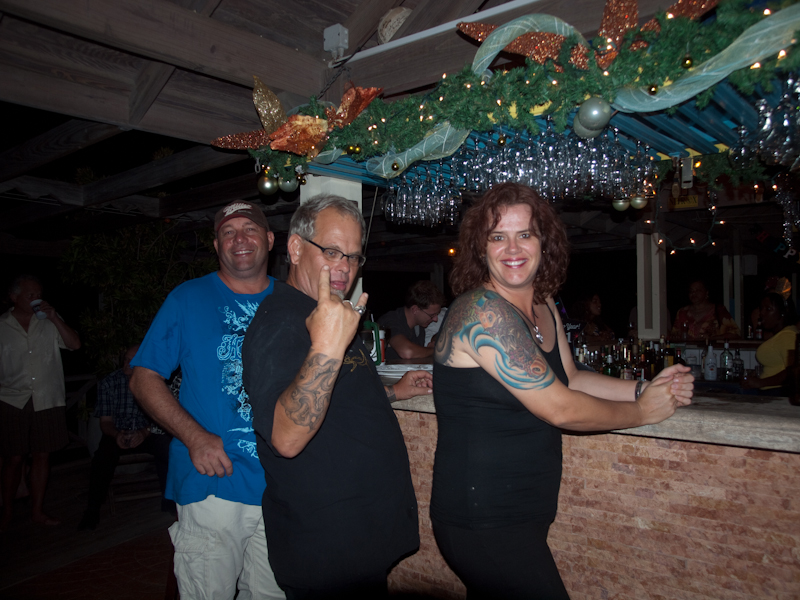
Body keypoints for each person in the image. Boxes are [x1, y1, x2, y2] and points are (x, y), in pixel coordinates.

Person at [430, 183, 694, 599]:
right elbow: (561, 408)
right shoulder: (482, 313)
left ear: (544, 242)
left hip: (525, 507)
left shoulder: (544, 302)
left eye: (525, 234)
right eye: (497, 237)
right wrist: (643, 412)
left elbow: (570, 378)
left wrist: (643, 387)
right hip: (482, 515)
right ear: (481, 248)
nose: (512, 248)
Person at [242, 194, 430, 599]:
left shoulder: (329, 311)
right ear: (295, 249)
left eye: (353, 256)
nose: (344, 267)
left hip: (359, 535)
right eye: (331, 252)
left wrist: (393, 391)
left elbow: (336, 394)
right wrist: (327, 345)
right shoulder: (281, 322)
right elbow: (285, 437)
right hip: (328, 545)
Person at [129, 201, 284, 600]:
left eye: (250, 229)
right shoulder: (188, 298)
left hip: (282, 484)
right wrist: (194, 436)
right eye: (228, 232)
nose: (239, 239)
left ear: (269, 239)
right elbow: (143, 377)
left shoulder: (292, 301)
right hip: (214, 480)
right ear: (217, 246)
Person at [0, 275, 81, 530]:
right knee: (13, 458)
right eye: (31, 295)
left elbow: (75, 344)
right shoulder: (2, 326)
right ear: (14, 297)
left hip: (47, 397)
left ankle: (37, 511)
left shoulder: (48, 321)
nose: (37, 299)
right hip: (11, 399)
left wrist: (55, 318)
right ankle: (6, 512)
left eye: (39, 294)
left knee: (42, 455)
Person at [78, 344, 173, 531]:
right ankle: (92, 510)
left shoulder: (157, 383)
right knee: (102, 457)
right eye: (125, 359)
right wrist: (116, 435)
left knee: (169, 449)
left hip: (148, 431)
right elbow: (105, 422)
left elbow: (163, 418)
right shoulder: (109, 382)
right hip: (118, 432)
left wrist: (144, 432)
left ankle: (169, 499)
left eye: (131, 361)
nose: (126, 364)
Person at [742, 293, 798, 395]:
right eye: (761, 308)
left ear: (782, 313)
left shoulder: (788, 335)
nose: (762, 313)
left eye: (768, 309)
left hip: (777, 393)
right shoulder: (780, 335)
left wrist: (761, 382)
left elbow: (792, 371)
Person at [378, 280, 445, 360]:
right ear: (415, 309)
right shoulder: (391, 321)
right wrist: (435, 350)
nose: (435, 319)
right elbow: (407, 352)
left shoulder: (419, 328)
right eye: (432, 315)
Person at [670, 279, 740, 341]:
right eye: (691, 291)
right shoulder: (682, 312)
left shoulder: (718, 310)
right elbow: (674, 335)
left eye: (698, 290)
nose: (694, 293)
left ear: (706, 293)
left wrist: (711, 338)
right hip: (688, 350)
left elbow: (735, 334)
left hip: (712, 350)